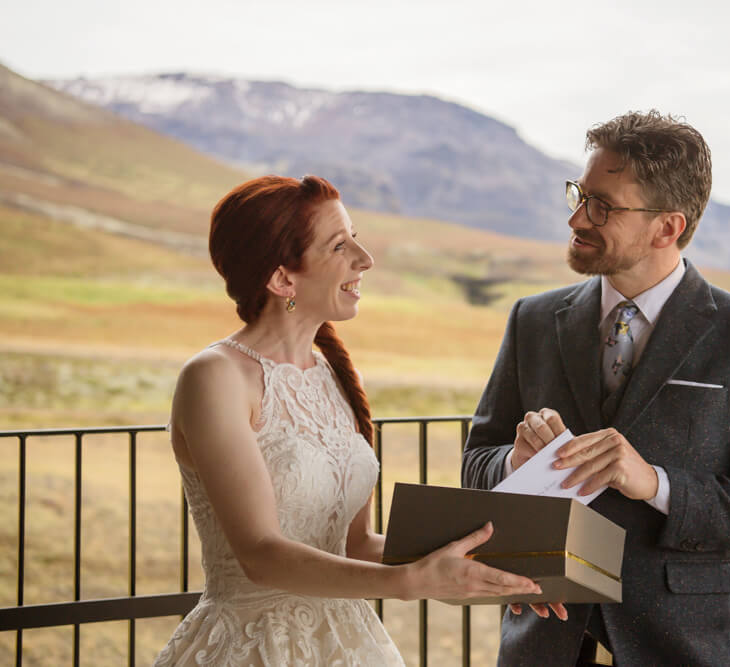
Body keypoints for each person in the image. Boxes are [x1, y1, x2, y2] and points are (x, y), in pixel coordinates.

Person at [462, 111, 730, 666]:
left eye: (602, 206)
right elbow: (475, 466)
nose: (577, 218)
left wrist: (654, 483)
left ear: (667, 228)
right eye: (580, 195)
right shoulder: (531, 321)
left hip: (689, 650)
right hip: (545, 645)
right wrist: (514, 462)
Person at [154, 175, 542, 666]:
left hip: (349, 645)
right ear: (283, 280)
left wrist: (503, 571)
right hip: (252, 648)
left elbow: (355, 545)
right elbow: (260, 555)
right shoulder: (215, 377)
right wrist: (406, 583)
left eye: (354, 237)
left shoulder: (335, 374)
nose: (365, 258)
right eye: (339, 245)